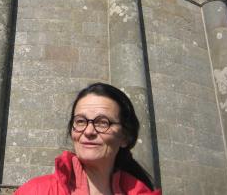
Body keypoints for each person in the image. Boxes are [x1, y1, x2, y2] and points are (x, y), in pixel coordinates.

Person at [15, 82, 161, 195]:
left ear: (125, 137)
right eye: (80, 121)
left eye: (103, 122)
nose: (89, 131)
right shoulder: (35, 191)